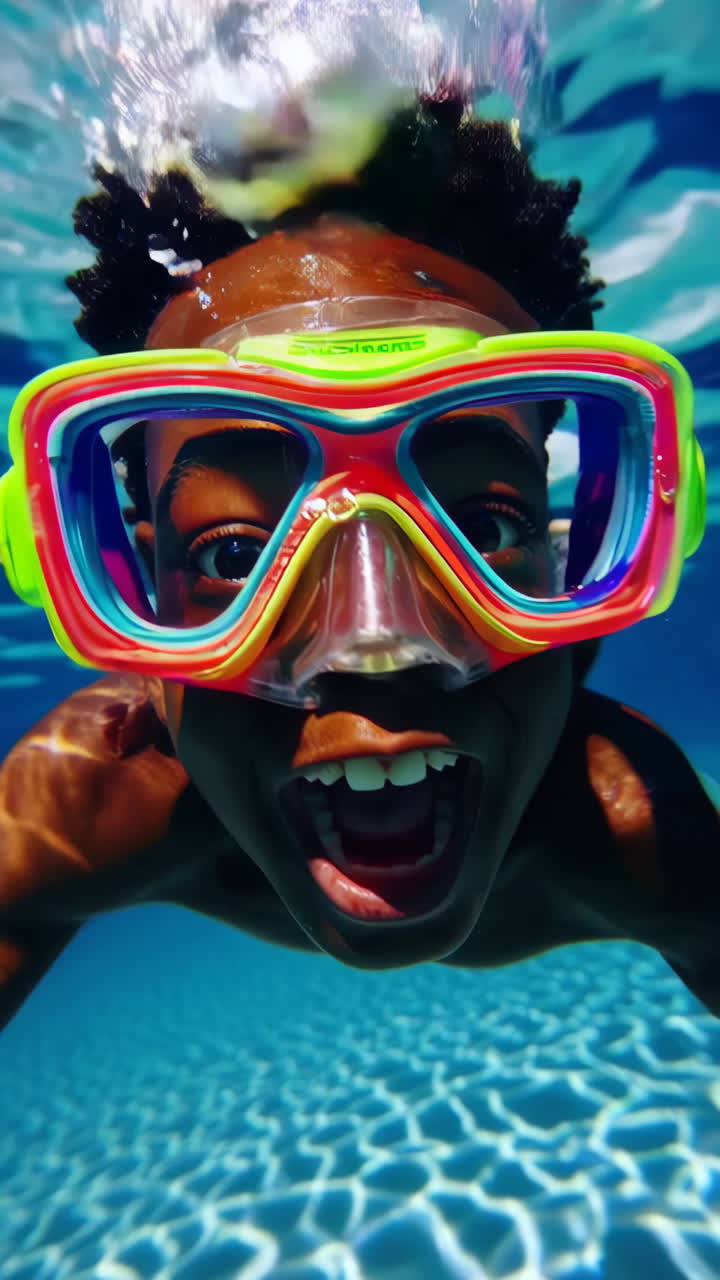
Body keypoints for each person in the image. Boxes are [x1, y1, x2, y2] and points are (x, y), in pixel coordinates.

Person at [0, 100, 717, 1031]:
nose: (377, 642)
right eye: (237, 555)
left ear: (566, 557)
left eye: (488, 532)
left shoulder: (641, 828)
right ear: (141, 599)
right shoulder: (84, 802)